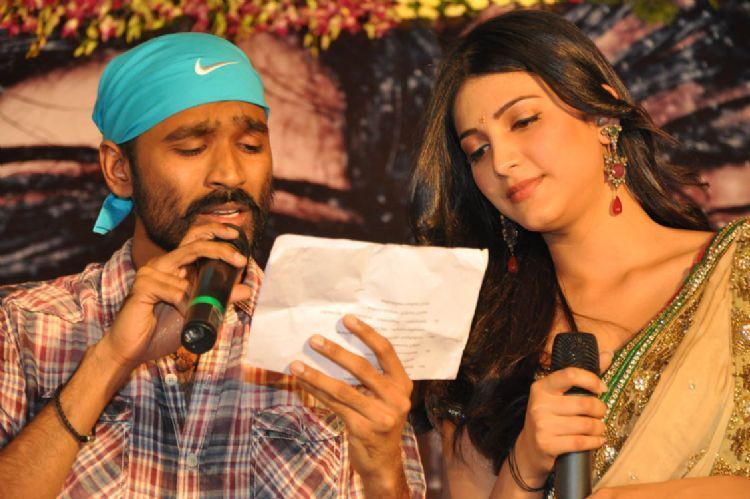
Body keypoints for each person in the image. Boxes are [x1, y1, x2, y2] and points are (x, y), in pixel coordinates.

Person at [0, 33, 425, 498]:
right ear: (120, 169)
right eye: (191, 148)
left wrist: (385, 475)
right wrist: (110, 360)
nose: (230, 174)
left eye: (250, 145)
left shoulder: (334, 341)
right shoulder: (23, 326)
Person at [408, 9, 750, 498]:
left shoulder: (739, 269)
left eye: (524, 121)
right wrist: (526, 461)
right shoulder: (485, 340)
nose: (502, 161)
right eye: (478, 150)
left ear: (603, 114)